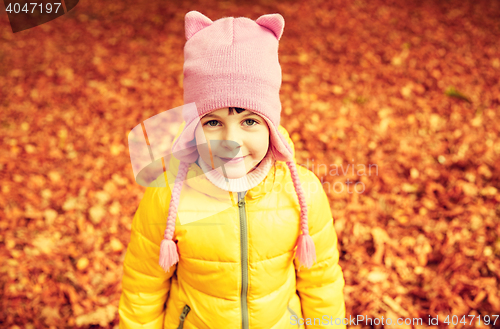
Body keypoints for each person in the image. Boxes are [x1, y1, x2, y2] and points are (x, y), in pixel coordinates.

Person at [119, 10, 346, 329]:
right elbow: (143, 287)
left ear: (271, 127)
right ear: (193, 130)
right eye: (213, 122)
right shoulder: (169, 194)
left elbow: (321, 283)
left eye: (249, 121)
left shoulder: (302, 192)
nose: (231, 140)